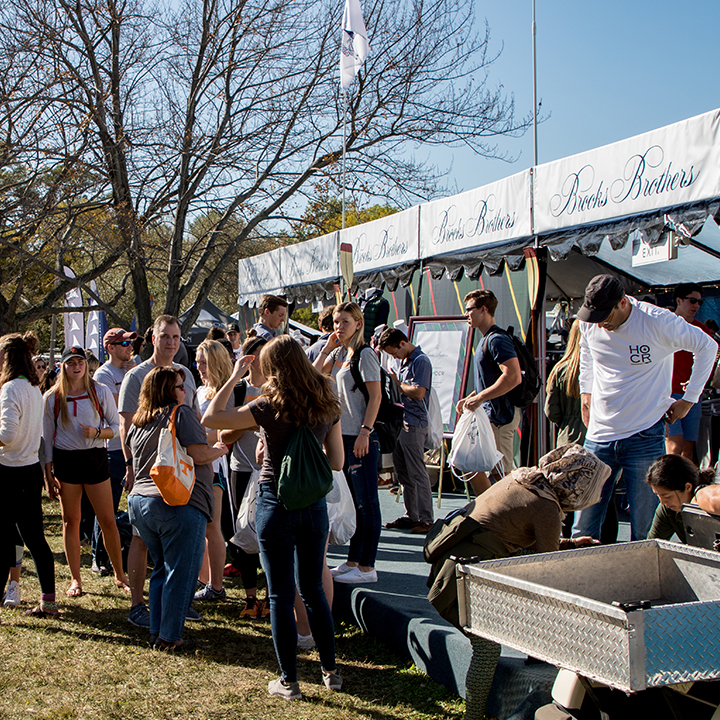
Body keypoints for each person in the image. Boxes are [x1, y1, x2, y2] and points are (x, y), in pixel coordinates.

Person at [203, 335, 344, 699]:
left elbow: (211, 418)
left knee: (280, 594)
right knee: (312, 588)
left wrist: (234, 377)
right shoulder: (328, 402)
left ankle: (289, 681)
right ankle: (331, 671)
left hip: (274, 500)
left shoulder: (269, 405)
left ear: (275, 368)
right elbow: (337, 462)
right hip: (313, 504)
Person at [425, 443, 606, 715]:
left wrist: (569, 543)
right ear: (579, 483)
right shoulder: (546, 505)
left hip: (456, 564)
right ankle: (473, 716)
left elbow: (514, 535)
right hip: (460, 576)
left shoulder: (525, 479)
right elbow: (549, 570)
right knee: (486, 651)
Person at [573, 274, 717, 541]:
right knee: (583, 526)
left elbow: (708, 347)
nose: (600, 324)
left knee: (645, 531)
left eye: (606, 315)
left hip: (644, 432)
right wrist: (586, 391)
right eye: (595, 317)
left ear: (623, 303)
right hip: (599, 434)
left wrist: (689, 398)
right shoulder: (589, 321)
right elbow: (587, 353)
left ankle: (643, 580)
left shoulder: (657, 321)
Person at [127, 366, 228, 650]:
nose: (186, 391)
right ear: (168, 391)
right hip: (177, 502)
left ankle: (159, 632)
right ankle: (170, 637)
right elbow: (198, 454)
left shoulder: (139, 421)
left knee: (162, 569)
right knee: (181, 573)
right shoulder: (181, 414)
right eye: (181, 387)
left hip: (142, 503)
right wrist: (219, 450)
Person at [119, 315, 200, 629]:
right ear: (153, 337)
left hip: (179, 472)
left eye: (177, 337)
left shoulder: (185, 376)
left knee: (175, 542)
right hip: (146, 474)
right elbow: (127, 426)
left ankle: (174, 600)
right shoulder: (137, 375)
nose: (171, 343)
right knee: (141, 539)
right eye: (165, 336)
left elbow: (191, 416)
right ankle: (138, 604)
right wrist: (130, 466)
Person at [43, 346, 130, 597]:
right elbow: (47, 438)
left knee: (107, 520)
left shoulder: (100, 391)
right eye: (71, 363)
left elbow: (116, 427)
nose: (77, 367)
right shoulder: (52, 397)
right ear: (63, 367)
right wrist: (47, 473)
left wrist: (98, 433)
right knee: (71, 521)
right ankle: (75, 580)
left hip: (95, 458)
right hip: (66, 461)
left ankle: (120, 574)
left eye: (80, 362)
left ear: (86, 365)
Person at [314, 301, 382, 584]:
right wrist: (327, 347)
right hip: (342, 436)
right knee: (353, 502)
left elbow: (375, 397)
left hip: (360, 436)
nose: (339, 327)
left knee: (367, 502)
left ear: (358, 323)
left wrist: (365, 432)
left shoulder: (365, 354)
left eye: (345, 322)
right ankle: (353, 560)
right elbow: (313, 375)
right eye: (336, 321)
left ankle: (367, 565)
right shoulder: (341, 351)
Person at [0, 332, 58, 617]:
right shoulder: (33, 389)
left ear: (7, 357)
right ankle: (48, 600)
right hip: (29, 470)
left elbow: (7, 435)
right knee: (34, 538)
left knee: (13, 537)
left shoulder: (11, 388)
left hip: (9, 472)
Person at [219, 334, 269, 619]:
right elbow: (224, 434)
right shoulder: (239, 389)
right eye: (260, 353)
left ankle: (270, 597)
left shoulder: (278, 388)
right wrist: (250, 421)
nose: (264, 359)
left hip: (271, 471)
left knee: (271, 533)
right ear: (248, 357)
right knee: (244, 534)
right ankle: (250, 598)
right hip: (242, 467)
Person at [457, 290, 522, 495]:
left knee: (503, 474)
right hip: (492, 415)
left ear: (483, 310)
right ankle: (489, 510)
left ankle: (505, 517)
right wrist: (471, 397)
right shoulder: (487, 339)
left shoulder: (496, 339)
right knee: (470, 462)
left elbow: (513, 376)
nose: (466, 315)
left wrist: (479, 398)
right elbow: (490, 380)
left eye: (469, 310)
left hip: (501, 416)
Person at [377, 327, 434, 534]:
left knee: (417, 472)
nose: (394, 357)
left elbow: (419, 392)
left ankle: (426, 519)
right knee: (403, 473)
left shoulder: (420, 361)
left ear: (402, 343)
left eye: (394, 352)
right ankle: (413, 515)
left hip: (414, 423)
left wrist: (398, 384)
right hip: (402, 423)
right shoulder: (405, 361)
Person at [91, 327, 137, 576]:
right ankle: (99, 557)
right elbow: (120, 406)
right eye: (124, 344)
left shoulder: (134, 368)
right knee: (106, 506)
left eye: (131, 343)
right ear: (110, 348)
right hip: (112, 448)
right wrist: (132, 380)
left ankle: (130, 550)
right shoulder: (103, 374)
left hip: (135, 445)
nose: (130, 347)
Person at [193, 339, 233, 603]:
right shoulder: (199, 391)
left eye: (204, 362)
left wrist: (195, 437)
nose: (199, 367)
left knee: (212, 527)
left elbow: (225, 434)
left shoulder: (226, 392)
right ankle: (204, 580)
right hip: (196, 465)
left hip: (215, 468)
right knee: (201, 526)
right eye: (197, 361)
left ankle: (216, 585)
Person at [666, 283, 715, 460]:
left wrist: (697, 383)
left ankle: (684, 487)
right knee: (673, 447)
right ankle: (666, 485)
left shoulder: (703, 331)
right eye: (692, 300)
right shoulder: (663, 325)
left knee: (688, 449)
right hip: (668, 394)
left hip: (692, 396)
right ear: (679, 300)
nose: (696, 306)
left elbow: (709, 363)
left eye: (700, 302)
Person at [645, 454, 716, 542]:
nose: (663, 502)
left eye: (667, 496)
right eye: (658, 495)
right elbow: (652, 546)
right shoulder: (667, 509)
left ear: (688, 487)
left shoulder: (712, 502)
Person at [545, 320, 585, 447]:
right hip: (595, 437)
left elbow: (551, 411)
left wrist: (567, 421)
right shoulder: (601, 368)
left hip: (567, 436)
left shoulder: (559, 369)